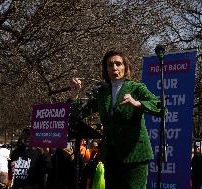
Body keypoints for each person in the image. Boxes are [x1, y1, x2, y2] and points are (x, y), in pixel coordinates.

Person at [69, 49, 162, 189]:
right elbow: (77, 113)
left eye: (118, 64)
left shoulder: (136, 88)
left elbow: (159, 107)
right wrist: (75, 93)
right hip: (111, 155)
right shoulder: (102, 93)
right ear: (105, 69)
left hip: (135, 154)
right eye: (110, 65)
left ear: (126, 67)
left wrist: (138, 103)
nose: (115, 68)